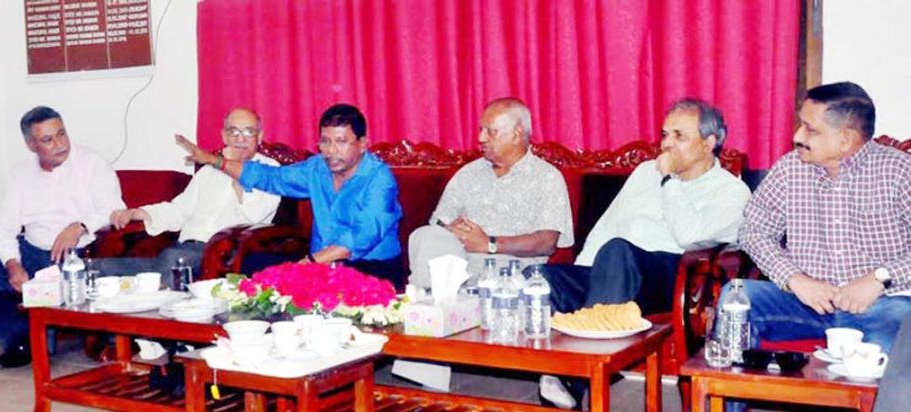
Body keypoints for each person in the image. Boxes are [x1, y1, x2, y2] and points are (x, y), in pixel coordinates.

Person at [537, 99, 751, 409]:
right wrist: (583, 273)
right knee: (543, 278)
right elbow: (609, 225)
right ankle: (565, 371)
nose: (666, 145)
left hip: (670, 276)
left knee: (617, 251)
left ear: (709, 143)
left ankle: (576, 375)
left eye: (679, 136)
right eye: (665, 134)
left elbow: (689, 236)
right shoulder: (643, 173)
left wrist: (669, 181)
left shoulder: (731, 191)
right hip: (611, 272)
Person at [734, 82, 911, 353]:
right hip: (805, 302)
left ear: (845, 140)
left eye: (811, 129)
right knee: (736, 301)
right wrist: (795, 279)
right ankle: (737, 396)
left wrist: (879, 278)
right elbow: (753, 231)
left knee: (888, 355)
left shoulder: (899, 171)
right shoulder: (790, 169)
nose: (797, 136)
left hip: (885, 304)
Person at [176, 103, 404, 288]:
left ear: (363, 144)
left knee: (319, 284)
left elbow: (361, 236)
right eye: (325, 141)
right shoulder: (317, 168)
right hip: (319, 264)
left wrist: (309, 263)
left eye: (341, 142)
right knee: (251, 264)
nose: (331, 150)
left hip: (371, 265)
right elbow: (271, 178)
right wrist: (215, 161)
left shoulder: (379, 179)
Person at [0, 106, 125, 368]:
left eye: (61, 134)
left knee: (63, 282)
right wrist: (12, 263)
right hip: (32, 250)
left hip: (75, 256)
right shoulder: (20, 174)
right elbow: (4, 228)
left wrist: (80, 226)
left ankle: (43, 334)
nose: (60, 144)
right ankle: (22, 339)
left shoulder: (91, 163)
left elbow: (114, 209)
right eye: (47, 140)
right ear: (31, 145)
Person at [96, 108, 281, 281]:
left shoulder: (270, 170)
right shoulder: (208, 171)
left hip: (227, 254)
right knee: (100, 269)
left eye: (248, 132)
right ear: (224, 136)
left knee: (158, 270)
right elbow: (180, 211)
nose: (240, 139)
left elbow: (255, 214)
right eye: (234, 132)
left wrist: (234, 169)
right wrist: (138, 213)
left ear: (260, 136)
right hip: (182, 251)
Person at [407, 97, 574, 288]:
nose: (481, 138)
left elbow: (547, 242)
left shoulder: (546, 177)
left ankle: (443, 303)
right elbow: (439, 223)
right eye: (481, 130)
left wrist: (489, 244)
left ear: (516, 134)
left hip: (511, 269)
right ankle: (435, 305)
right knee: (425, 235)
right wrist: (450, 230)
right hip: (458, 261)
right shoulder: (468, 173)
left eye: (491, 132)